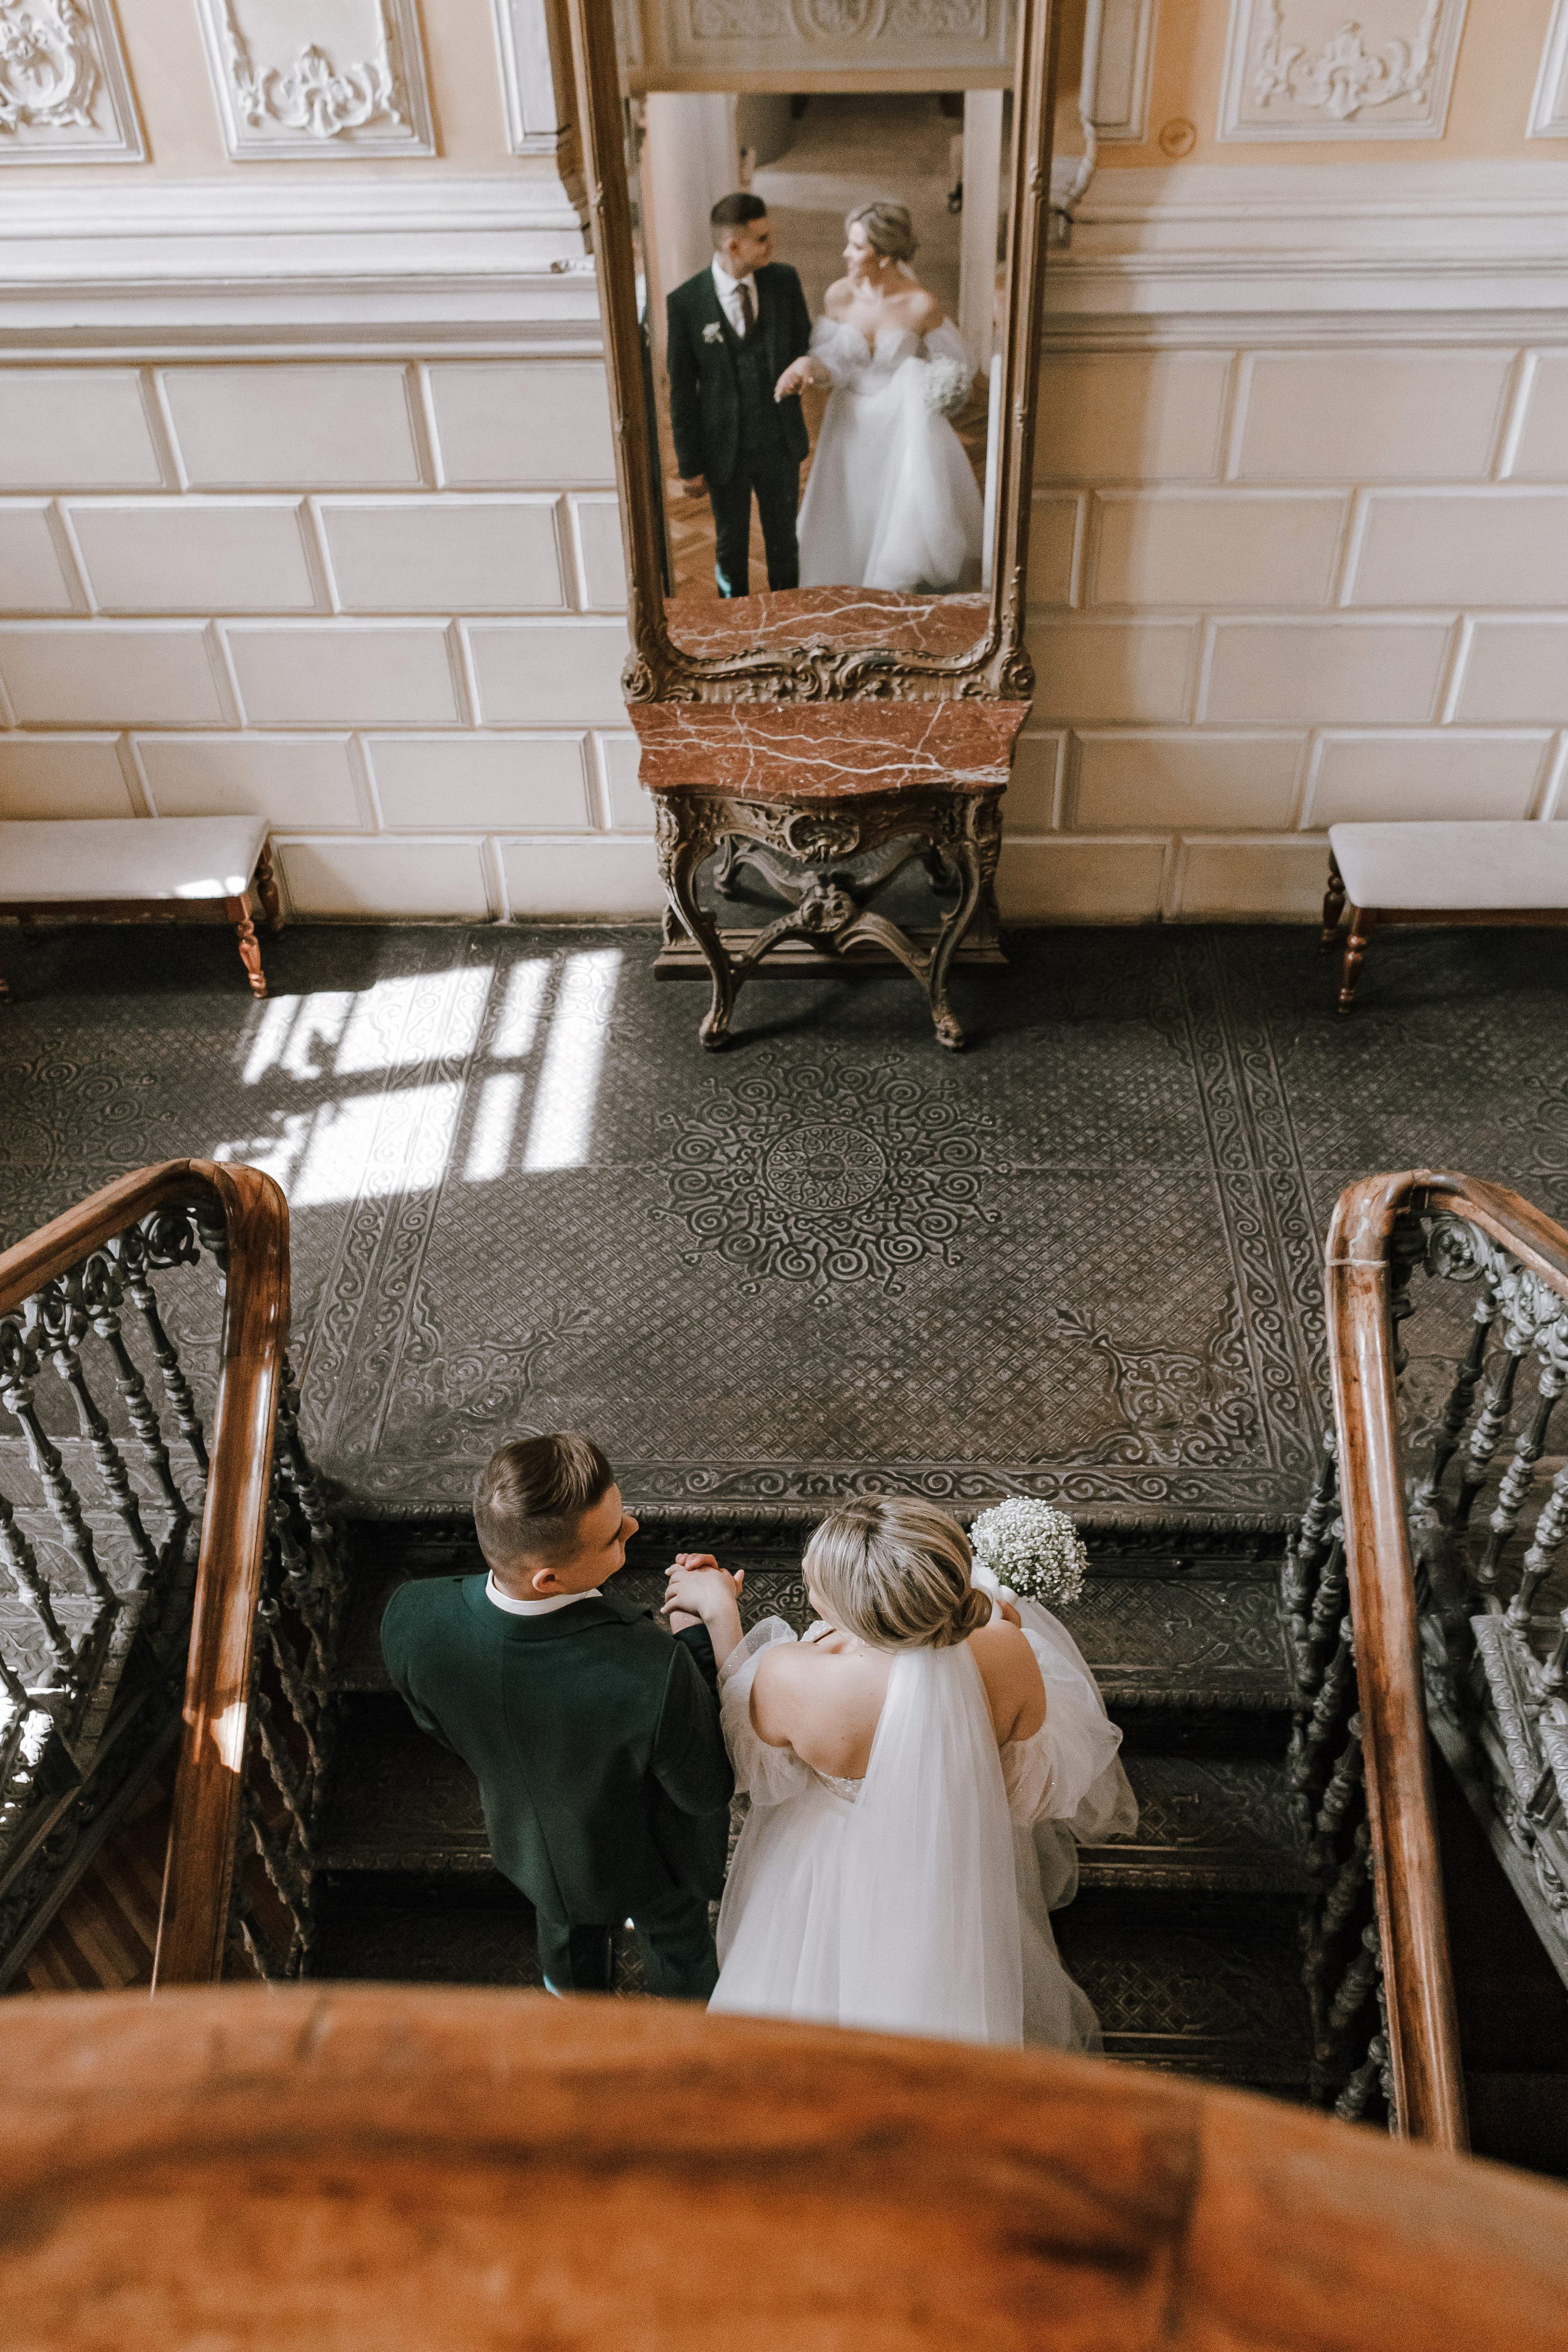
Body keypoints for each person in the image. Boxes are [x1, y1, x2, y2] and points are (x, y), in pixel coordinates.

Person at [663, 1496, 1136, 2048]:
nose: (811, 1593)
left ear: (851, 1611)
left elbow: (754, 1769)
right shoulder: (1008, 1649)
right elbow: (1029, 1794)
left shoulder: (792, 1676)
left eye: (816, 1586)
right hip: (951, 1861)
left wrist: (720, 1613)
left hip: (821, 1872)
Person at [380, 1432, 736, 1999]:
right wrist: (698, 1634)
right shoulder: (648, 1666)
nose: (634, 1528)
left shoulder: (412, 1617)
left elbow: (435, 1726)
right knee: (678, 1945)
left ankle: (572, 2012)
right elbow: (704, 1787)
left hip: (535, 1850)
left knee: (567, 1934)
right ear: (549, 1579)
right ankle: (688, 2035)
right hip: (653, 1859)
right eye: (614, 1534)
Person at [775, 200, 985, 594]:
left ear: (885, 256)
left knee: (897, 524)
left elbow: (956, 370)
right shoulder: (839, 297)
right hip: (849, 426)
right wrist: (807, 365)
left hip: (901, 428)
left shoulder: (921, 305)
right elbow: (833, 361)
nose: (845, 254)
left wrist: (932, 387)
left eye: (856, 246)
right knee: (849, 518)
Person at [665, 191, 813, 598]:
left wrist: (803, 367)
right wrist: (689, 464)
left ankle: (788, 614)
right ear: (733, 246)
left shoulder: (784, 281)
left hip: (778, 441)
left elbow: (804, 342)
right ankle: (735, 621)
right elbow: (682, 390)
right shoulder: (685, 303)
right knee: (731, 544)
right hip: (722, 449)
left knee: (784, 540)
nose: (772, 245)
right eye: (762, 238)